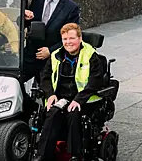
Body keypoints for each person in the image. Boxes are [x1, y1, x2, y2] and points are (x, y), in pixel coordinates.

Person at [32, 23, 103, 161]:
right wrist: (50, 94)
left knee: (74, 114)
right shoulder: (55, 55)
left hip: (83, 98)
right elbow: (45, 78)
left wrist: (78, 100)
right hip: (60, 97)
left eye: (71, 38)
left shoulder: (91, 56)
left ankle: (75, 155)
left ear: (80, 38)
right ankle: (43, 155)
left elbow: (95, 81)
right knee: (53, 113)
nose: (68, 42)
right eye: (65, 39)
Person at [23, 0, 80, 82]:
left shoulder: (71, 8)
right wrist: (24, 17)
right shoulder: (36, 1)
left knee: (48, 92)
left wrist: (50, 50)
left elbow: (71, 37)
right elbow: (26, 25)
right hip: (31, 55)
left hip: (54, 59)